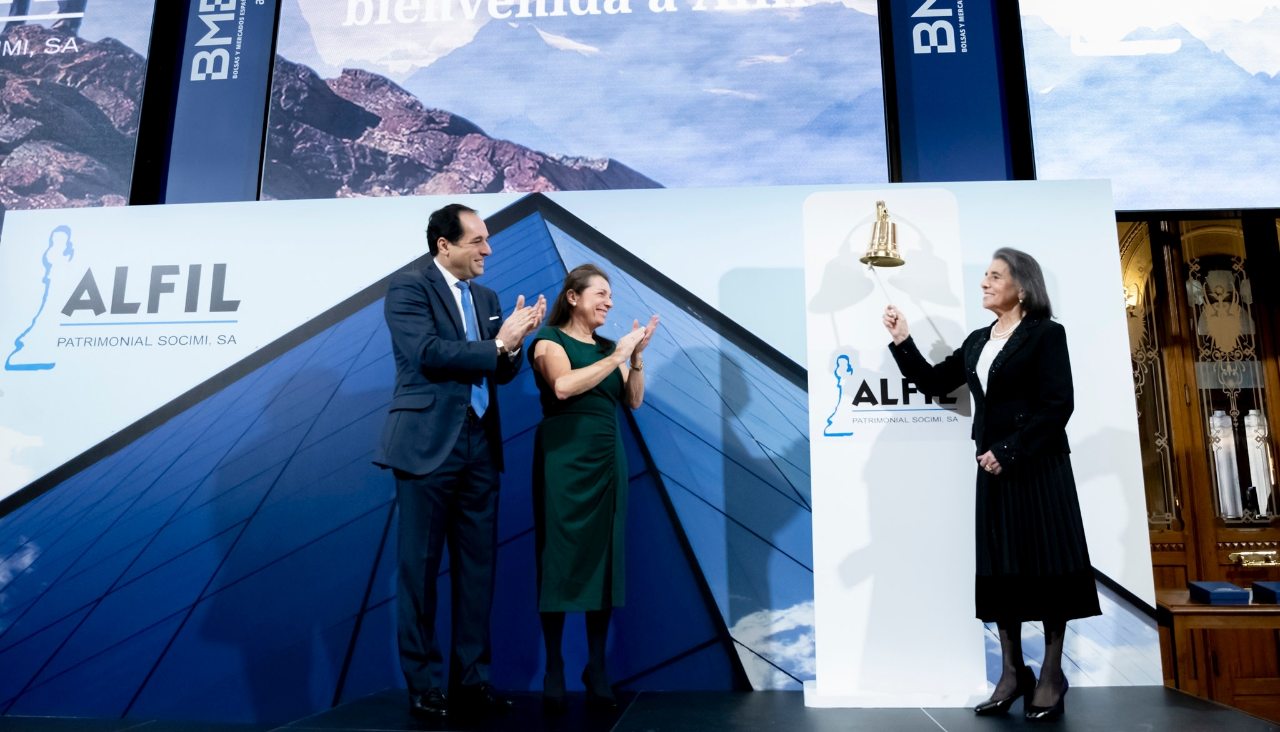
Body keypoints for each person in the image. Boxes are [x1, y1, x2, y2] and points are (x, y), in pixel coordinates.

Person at [882, 247, 1100, 722]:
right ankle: (1011, 672)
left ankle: (1050, 674)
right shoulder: (979, 341)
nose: (984, 282)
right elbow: (938, 383)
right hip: (992, 471)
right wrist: (902, 340)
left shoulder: (1046, 335)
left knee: (1046, 566)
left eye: (994, 276)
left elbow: (1058, 405)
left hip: (1039, 469)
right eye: (984, 275)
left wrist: (1011, 450)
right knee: (1002, 569)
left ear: (1022, 288)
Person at [375, 203, 546, 719]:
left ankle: (472, 681)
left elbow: (500, 371)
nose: (488, 251)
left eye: (488, 240)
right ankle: (424, 685)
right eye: (477, 241)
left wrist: (513, 349)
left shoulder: (489, 298)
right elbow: (428, 352)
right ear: (443, 245)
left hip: (478, 445)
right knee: (420, 571)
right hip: (427, 446)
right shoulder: (408, 288)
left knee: (478, 571)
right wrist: (499, 342)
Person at [528, 264, 659, 712]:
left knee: (604, 561)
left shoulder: (610, 349)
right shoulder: (550, 342)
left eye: (610, 295)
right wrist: (616, 357)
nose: (608, 302)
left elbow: (634, 400)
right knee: (559, 558)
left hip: (607, 459)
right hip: (563, 460)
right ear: (573, 297)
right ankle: (554, 666)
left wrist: (636, 357)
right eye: (600, 294)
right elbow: (563, 387)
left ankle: (597, 667)